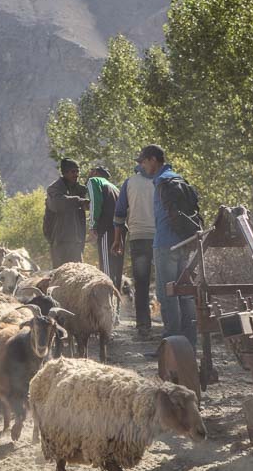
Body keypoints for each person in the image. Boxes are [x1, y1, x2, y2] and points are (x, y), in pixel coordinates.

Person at [137, 144, 203, 347]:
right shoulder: (178, 178)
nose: (142, 166)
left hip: (165, 244)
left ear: (153, 160)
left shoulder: (162, 182)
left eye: (143, 161)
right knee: (184, 294)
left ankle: (171, 344)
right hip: (184, 243)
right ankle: (189, 342)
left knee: (167, 295)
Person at [112, 159, 157, 341]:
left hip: (138, 237)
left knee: (142, 283)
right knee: (169, 282)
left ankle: (143, 327)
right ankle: (173, 325)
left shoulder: (129, 183)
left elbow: (120, 215)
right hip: (162, 237)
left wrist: (117, 240)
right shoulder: (162, 180)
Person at [44, 158, 89, 268]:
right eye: (73, 171)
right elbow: (57, 204)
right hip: (60, 242)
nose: (76, 174)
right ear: (65, 173)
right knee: (60, 275)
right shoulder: (54, 189)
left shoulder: (81, 189)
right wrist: (79, 201)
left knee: (78, 273)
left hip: (77, 241)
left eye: (78, 171)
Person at [86, 166, 123, 289]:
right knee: (116, 268)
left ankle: (108, 300)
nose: (89, 174)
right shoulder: (114, 187)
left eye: (91, 171)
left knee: (106, 269)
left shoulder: (94, 181)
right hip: (120, 230)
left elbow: (95, 204)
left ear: (96, 173)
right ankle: (117, 305)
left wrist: (92, 226)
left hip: (107, 228)